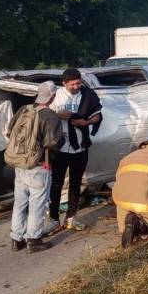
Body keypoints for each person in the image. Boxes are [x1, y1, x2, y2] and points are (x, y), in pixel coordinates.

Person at [7, 81, 64, 253]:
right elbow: (53, 143)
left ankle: (16, 239)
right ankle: (34, 240)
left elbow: (10, 131)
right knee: (37, 204)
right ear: (52, 96)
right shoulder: (50, 115)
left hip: (20, 164)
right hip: (39, 166)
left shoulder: (24, 110)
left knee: (20, 203)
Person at [47, 68, 103, 233]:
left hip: (80, 146)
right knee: (56, 184)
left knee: (76, 183)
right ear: (64, 84)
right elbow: (45, 116)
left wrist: (85, 123)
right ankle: (54, 219)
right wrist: (58, 115)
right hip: (61, 147)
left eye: (78, 83)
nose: (77, 86)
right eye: (73, 84)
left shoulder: (87, 95)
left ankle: (71, 217)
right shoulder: (56, 96)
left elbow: (97, 116)